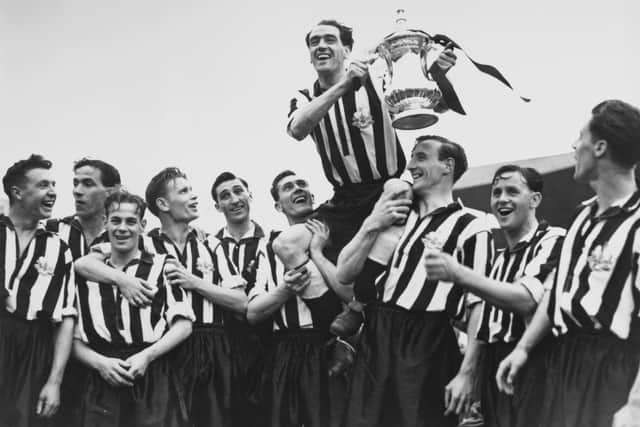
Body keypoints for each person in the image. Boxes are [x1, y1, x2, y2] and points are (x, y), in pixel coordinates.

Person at [287, 19, 458, 334]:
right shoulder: (303, 96)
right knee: (287, 243)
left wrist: (439, 73)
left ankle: (358, 306)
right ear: (310, 56)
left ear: (348, 49)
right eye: (314, 42)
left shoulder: (378, 78)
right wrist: (345, 84)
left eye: (330, 39)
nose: (321, 46)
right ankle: (333, 326)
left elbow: (431, 105)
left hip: (386, 187)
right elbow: (298, 129)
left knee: (396, 190)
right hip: (343, 198)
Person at [496, 100, 640, 427]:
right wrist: (523, 348)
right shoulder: (581, 215)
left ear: (600, 147)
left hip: (614, 372)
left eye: (581, 137)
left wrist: (634, 408)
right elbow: (558, 290)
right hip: (564, 361)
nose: (575, 147)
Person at [337, 135, 493, 427]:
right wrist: (372, 223)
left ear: (448, 166)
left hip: (427, 339)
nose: (410, 165)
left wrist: (467, 373)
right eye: (411, 157)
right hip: (377, 332)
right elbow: (344, 273)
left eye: (421, 157)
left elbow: (479, 306)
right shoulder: (396, 213)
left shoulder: (472, 226)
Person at [424, 164, 565, 427]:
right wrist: (469, 375)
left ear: (535, 199)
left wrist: (458, 273)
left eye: (512, 191)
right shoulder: (497, 260)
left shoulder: (553, 240)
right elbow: (481, 326)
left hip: (536, 366)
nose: (502, 199)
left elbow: (525, 300)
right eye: (496, 192)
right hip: (492, 371)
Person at [73, 190, 194, 426]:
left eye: (131, 221)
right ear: (105, 222)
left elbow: (184, 325)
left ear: (143, 225)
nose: (122, 228)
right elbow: (73, 339)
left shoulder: (161, 267)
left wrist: (147, 356)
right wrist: (100, 363)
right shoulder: (86, 275)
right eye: (116, 220)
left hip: (152, 374)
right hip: (101, 377)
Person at [246, 170, 353, 427]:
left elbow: (353, 297)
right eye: (287, 187)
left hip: (329, 345)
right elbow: (253, 313)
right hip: (284, 350)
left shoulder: (340, 239)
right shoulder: (268, 249)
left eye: (302, 184)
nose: (297, 189)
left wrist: (317, 252)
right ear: (278, 205)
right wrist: (286, 289)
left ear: (313, 196)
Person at [0, 155, 76, 427]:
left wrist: (54, 381)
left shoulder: (59, 248)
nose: (53, 192)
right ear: (17, 192)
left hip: (34, 351)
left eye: (54, 184)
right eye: (44, 185)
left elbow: (66, 317)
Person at [210, 171, 267, 426]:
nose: (234, 199)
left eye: (238, 191)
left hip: (267, 346)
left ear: (250, 195)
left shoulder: (270, 240)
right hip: (224, 347)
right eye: (225, 196)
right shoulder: (207, 246)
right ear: (217, 206)